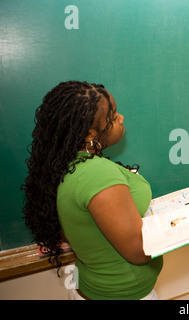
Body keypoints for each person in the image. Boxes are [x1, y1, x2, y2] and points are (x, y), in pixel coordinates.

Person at [22, 81, 163, 300]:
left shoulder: (66, 165)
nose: (121, 118)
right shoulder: (98, 174)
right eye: (113, 117)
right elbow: (139, 252)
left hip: (94, 288)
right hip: (121, 295)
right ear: (90, 133)